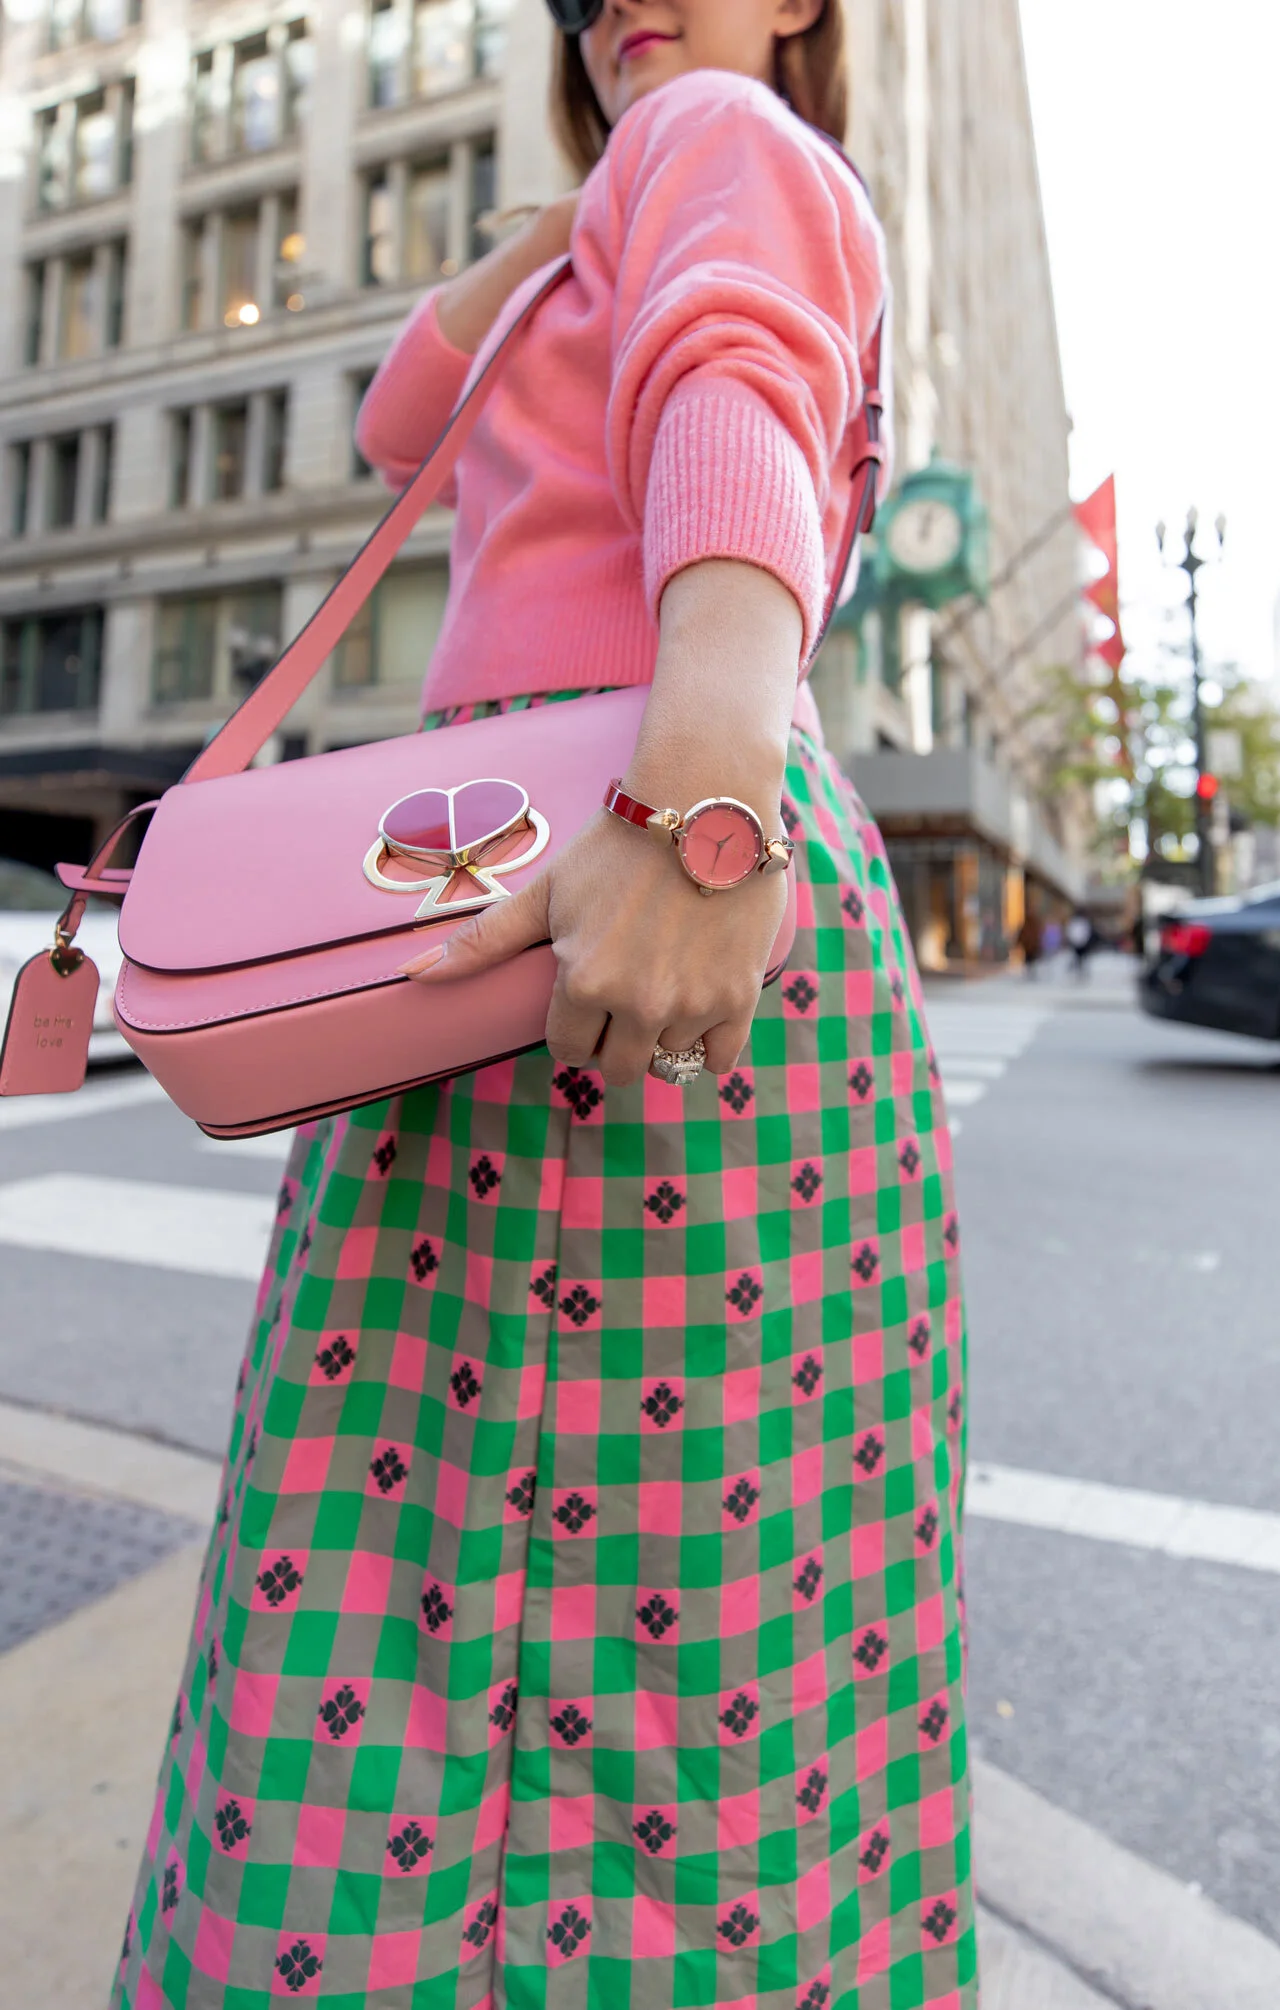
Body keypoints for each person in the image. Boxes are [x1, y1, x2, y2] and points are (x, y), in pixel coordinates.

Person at [115, 6, 974, 2005]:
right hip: (554, 868)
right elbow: (397, 423)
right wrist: (557, 229)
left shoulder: (720, 128)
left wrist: (700, 800)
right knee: (701, 1599)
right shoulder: (634, 192)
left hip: (638, 847)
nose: (610, 9)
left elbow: (737, 381)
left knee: (471, 1569)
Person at [1065, 908, 1097, 978]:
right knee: (1079, 957)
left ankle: (1080, 970)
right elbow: (1071, 932)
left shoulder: (1081, 922)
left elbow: (1086, 932)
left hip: (1080, 943)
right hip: (1079, 942)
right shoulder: (1076, 922)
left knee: (1081, 957)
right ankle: (1078, 970)